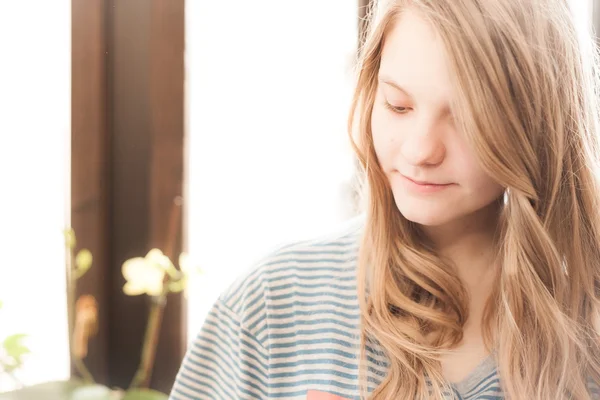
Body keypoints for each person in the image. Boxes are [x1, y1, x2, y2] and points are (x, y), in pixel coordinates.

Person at [169, 0, 600, 398]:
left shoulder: (587, 326)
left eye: (467, 118)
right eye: (398, 106)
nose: (420, 150)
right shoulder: (269, 306)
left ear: (536, 121)